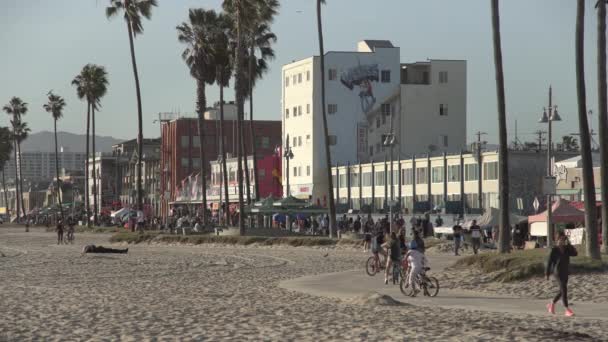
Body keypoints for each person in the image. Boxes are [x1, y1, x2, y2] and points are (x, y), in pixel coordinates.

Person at [546, 232, 577, 317]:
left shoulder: (567, 248)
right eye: (560, 239)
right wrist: (547, 274)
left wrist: (569, 244)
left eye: (563, 239)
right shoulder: (554, 249)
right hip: (557, 272)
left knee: (562, 291)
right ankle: (567, 309)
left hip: (565, 272)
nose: (562, 241)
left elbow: (575, 253)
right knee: (564, 289)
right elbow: (549, 262)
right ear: (557, 240)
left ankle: (551, 304)